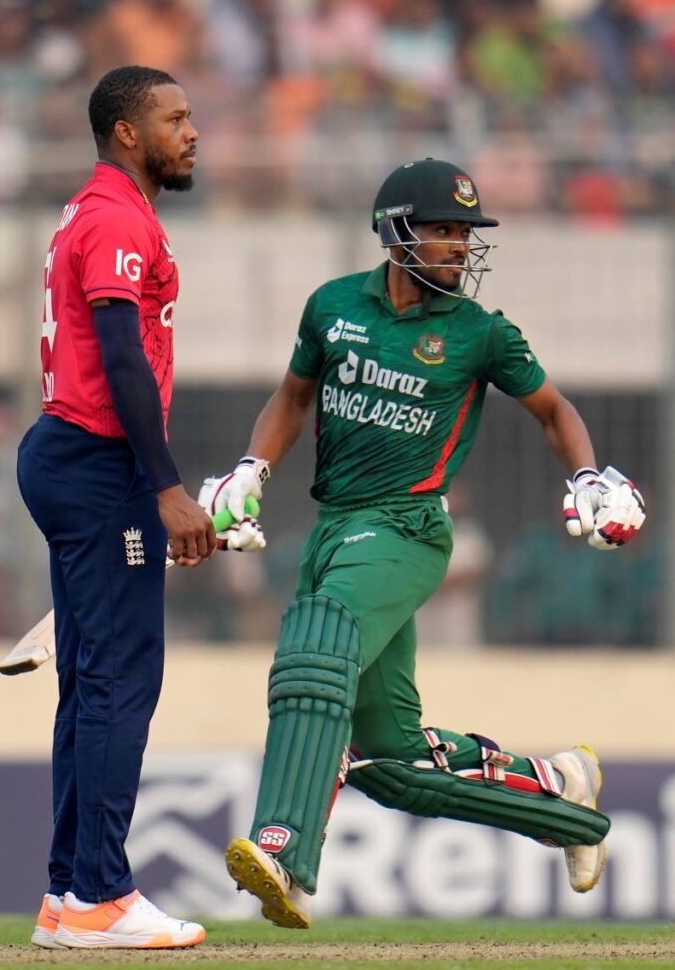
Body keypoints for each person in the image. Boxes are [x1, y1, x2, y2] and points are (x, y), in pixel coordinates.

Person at [202, 158, 646, 928]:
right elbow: (293, 396)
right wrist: (251, 467)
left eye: (463, 235)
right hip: (336, 526)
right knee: (393, 761)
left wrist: (585, 476)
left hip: (407, 526)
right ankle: (566, 795)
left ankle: (284, 850)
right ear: (395, 231)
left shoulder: (478, 333)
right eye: (441, 231)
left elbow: (552, 409)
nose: (457, 248)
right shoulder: (333, 306)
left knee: (315, 649)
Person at [17, 65, 216, 950]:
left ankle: (68, 895)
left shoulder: (93, 212)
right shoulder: (114, 219)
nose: (192, 130)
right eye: (175, 118)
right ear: (128, 133)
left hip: (75, 454)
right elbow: (123, 357)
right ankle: (100, 893)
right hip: (99, 462)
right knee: (119, 679)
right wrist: (165, 486)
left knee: (87, 681)